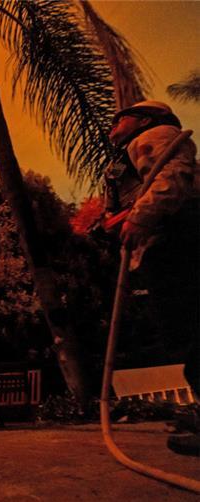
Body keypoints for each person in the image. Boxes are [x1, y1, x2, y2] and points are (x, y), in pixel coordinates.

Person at [107, 100, 199, 455]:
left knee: (192, 326)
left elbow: (172, 178)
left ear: (143, 119)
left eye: (121, 119)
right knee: (183, 329)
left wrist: (140, 218)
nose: (113, 126)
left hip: (178, 237)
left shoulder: (156, 136)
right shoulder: (129, 154)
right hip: (164, 242)